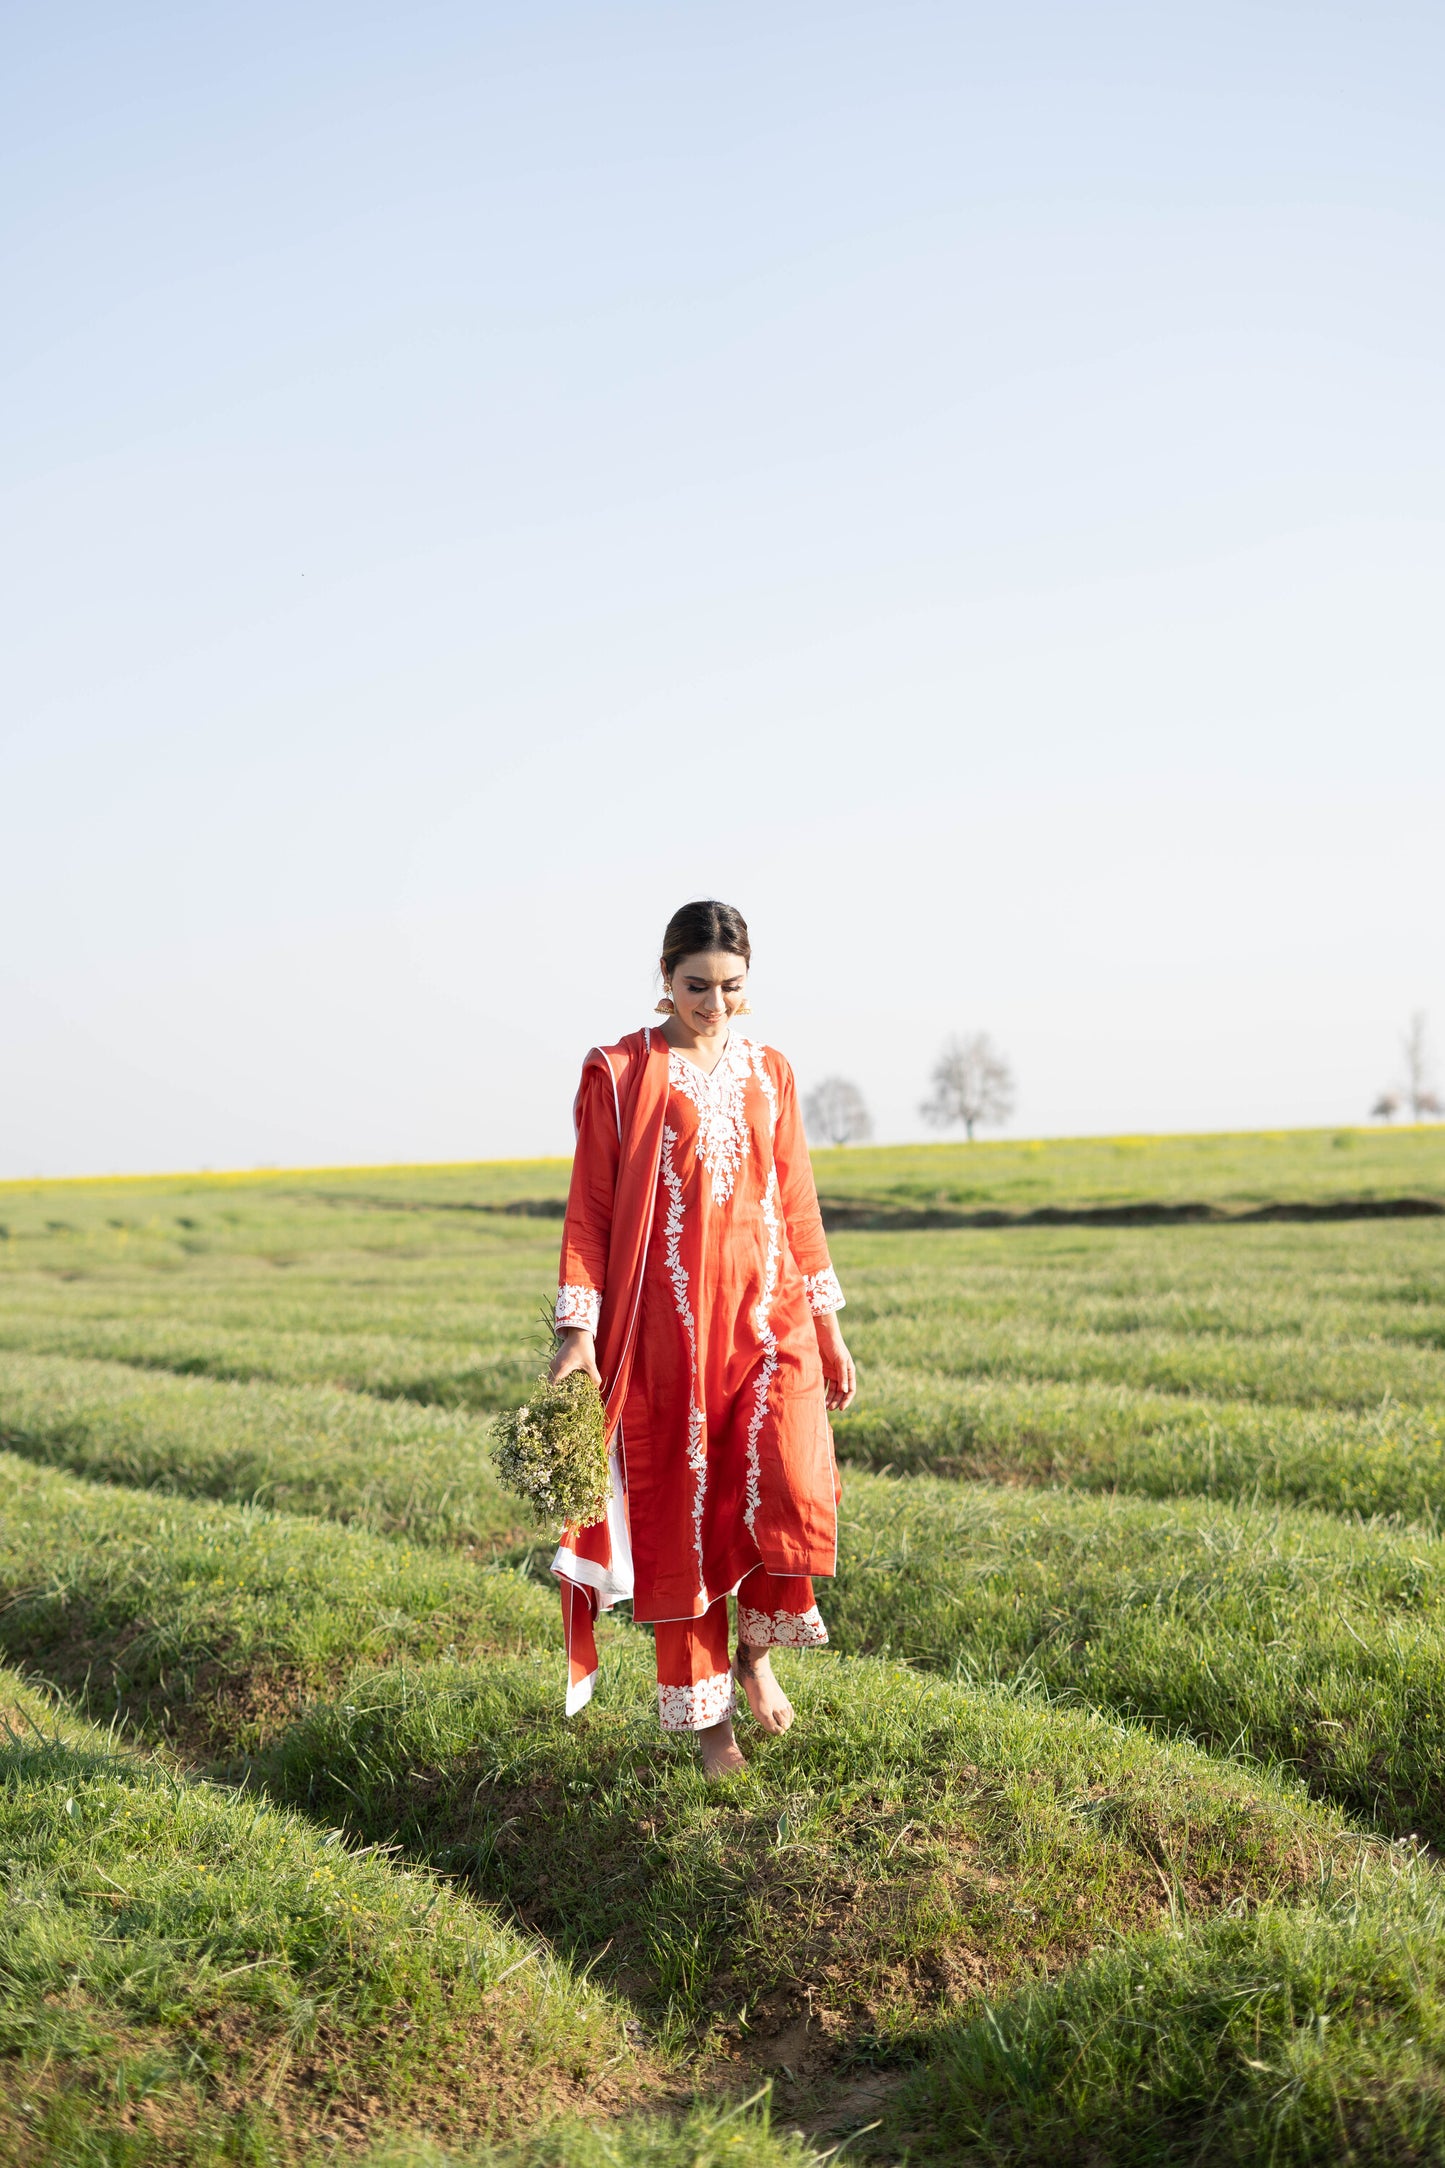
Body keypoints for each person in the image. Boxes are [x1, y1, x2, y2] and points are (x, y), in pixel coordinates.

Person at [549, 899, 857, 1778]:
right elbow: (592, 1208)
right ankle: (708, 1722)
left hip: (772, 1322)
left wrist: (828, 1326)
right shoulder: (618, 1071)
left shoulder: (772, 1071)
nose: (712, 1003)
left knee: (788, 1487)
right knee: (686, 1514)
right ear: (664, 977)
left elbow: (795, 1198)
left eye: (729, 987)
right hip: (668, 1337)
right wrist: (578, 1332)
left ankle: (756, 1653)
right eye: (695, 986)